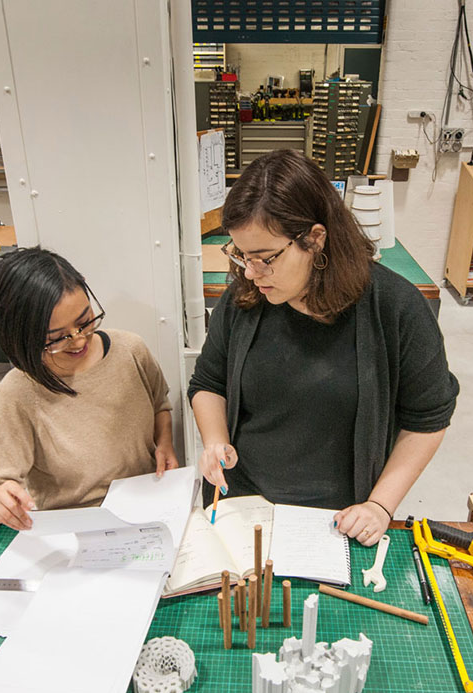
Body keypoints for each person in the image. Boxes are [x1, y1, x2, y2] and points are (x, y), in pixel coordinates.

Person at [188, 149, 458, 546]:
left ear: (314, 239)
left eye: (265, 258)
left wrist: (380, 507)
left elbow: (428, 419)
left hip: (340, 517)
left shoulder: (395, 309)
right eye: (241, 256)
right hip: (246, 506)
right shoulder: (245, 299)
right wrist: (215, 439)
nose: (250, 272)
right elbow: (207, 382)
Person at [0, 247, 177, 530]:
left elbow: (159, 404)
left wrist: (164, 443)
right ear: (23, 336)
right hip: (73, 529)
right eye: (57, 338)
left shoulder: (130, 350)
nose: (78, 341)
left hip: (147, 510)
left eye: (84, 321)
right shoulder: (18, 393)